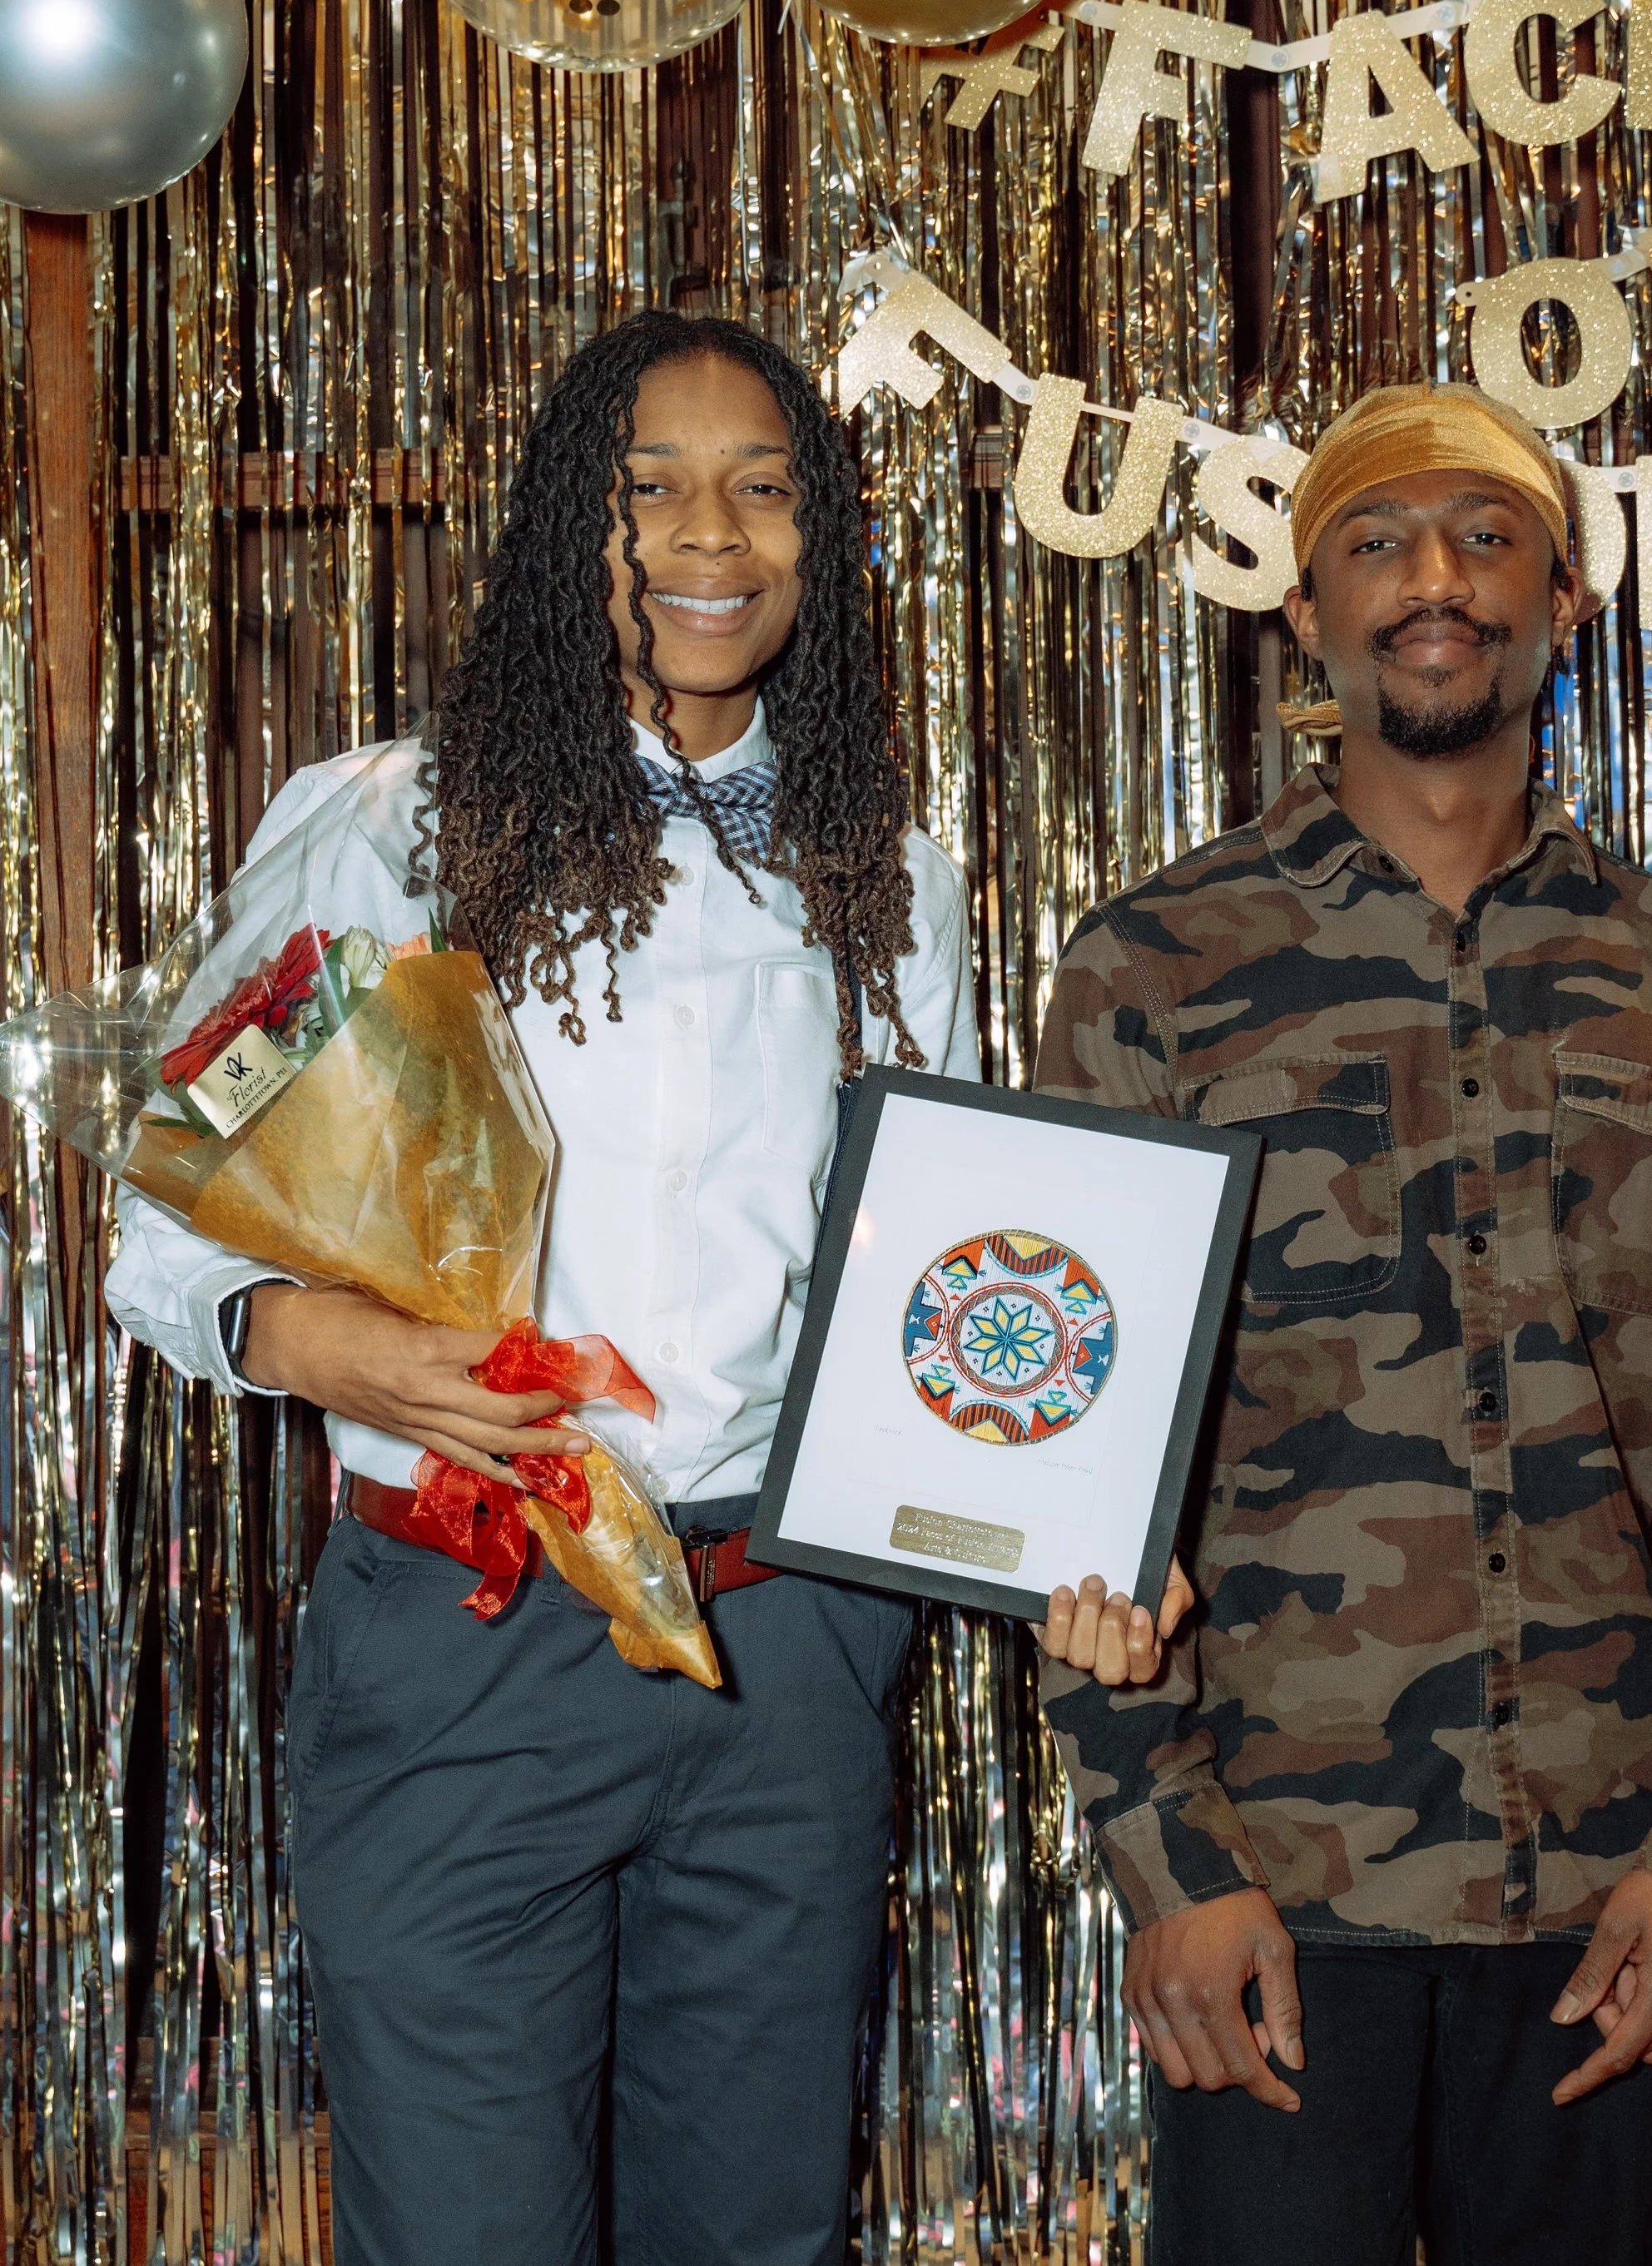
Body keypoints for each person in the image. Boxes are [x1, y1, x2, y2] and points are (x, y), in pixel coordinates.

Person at [105, 312, 1111, 2266]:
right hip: (467, 1621)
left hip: (784, 1646)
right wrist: (323, 1341)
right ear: (575, 520)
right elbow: (171, 1199)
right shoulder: (386, 825)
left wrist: (1057, 1501)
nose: (706, 532)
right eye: (648, 485)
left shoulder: (887, 871)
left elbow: (929, 1270)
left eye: (762, 487)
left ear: (821, 537)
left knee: (752, 2233)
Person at [1032, 380, 1652, 2266]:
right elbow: (1066, 1451)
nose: (1434, 581)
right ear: (1303, 607)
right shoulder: (1153, 970)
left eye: (1486, 539)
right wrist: (1164, 1858)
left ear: (1562, 601)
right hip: (1273, 1895)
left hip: (1615, 1895)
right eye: (1377, 541)